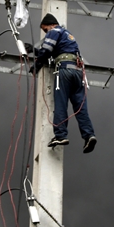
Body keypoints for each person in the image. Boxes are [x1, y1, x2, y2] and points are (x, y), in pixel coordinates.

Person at [26, 13, 97, 153]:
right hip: (78, 73)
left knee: (60, 103)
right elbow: (52, 52)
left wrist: (36, 66)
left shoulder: (54, 31)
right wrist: (33, 50)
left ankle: (60, 135)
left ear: (51, 25)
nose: (46, 33)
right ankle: (89, 135)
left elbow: (46, 51)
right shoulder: (68, 35)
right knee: (80, 108)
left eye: (45, 29)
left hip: (64, 71)